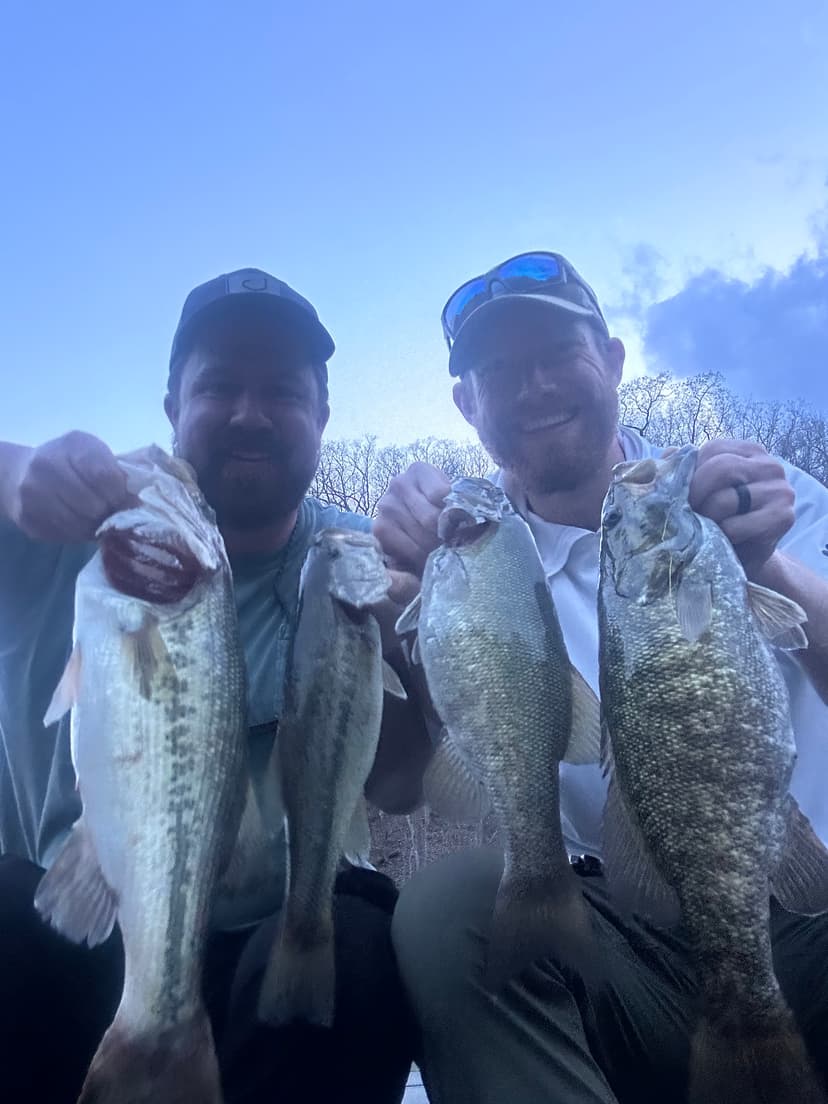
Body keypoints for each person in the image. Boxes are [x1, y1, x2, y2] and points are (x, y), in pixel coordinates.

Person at [373, 250, 828, 1104]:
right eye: (498, 370)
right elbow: (405, 780)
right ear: (467, 405)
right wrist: (392, 612)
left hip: (812, 899)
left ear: (615, 361)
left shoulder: (750, 489)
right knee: (448, 909)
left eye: (559, 354)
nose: (535, 386)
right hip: (632, 937)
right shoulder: (472, 563)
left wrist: (772, 569)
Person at [0, 267, 429, 1103]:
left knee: (366, 950)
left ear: (323, 415)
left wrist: (405, 642)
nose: (249, 412)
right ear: (170, 403)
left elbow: (405, 786)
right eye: (219, 385)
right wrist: (12, 473)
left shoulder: (352, 560)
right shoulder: (77, 510)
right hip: (74, 928)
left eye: (282, 390)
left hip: (281, 941)